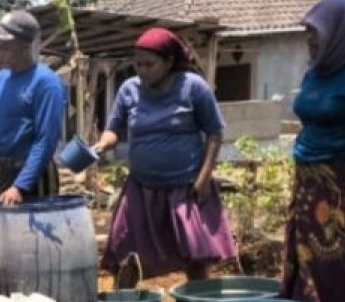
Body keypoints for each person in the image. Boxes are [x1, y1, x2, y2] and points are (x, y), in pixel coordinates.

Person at [91, 28, 236, 286]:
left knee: (195, 257)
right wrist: (102, 144)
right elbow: (114, 128)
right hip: (142, 188)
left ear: (169, 62)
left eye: (149, 64)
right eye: (138, 64)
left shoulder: (193, 88)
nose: (142, 70)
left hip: (185, 189)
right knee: (125, 254)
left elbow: (215, 134)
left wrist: (203, 181)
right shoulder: (129, 90)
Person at [282, 0, 345, 302]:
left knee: (340, 263)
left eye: (316, 32)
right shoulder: (315, 73)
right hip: (308, 181)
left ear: (341, 33)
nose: (310, 39)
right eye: (308, 32)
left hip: (344, 184)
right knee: (308, 258)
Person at [0, 10, 65, 206]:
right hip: (3, 173)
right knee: (1, 235)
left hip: (34, 178)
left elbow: (46, 139)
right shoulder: (2, 78)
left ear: (24, 46)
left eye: (5, 46)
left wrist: (21, 185)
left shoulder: (46, 82)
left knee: (34, 235)